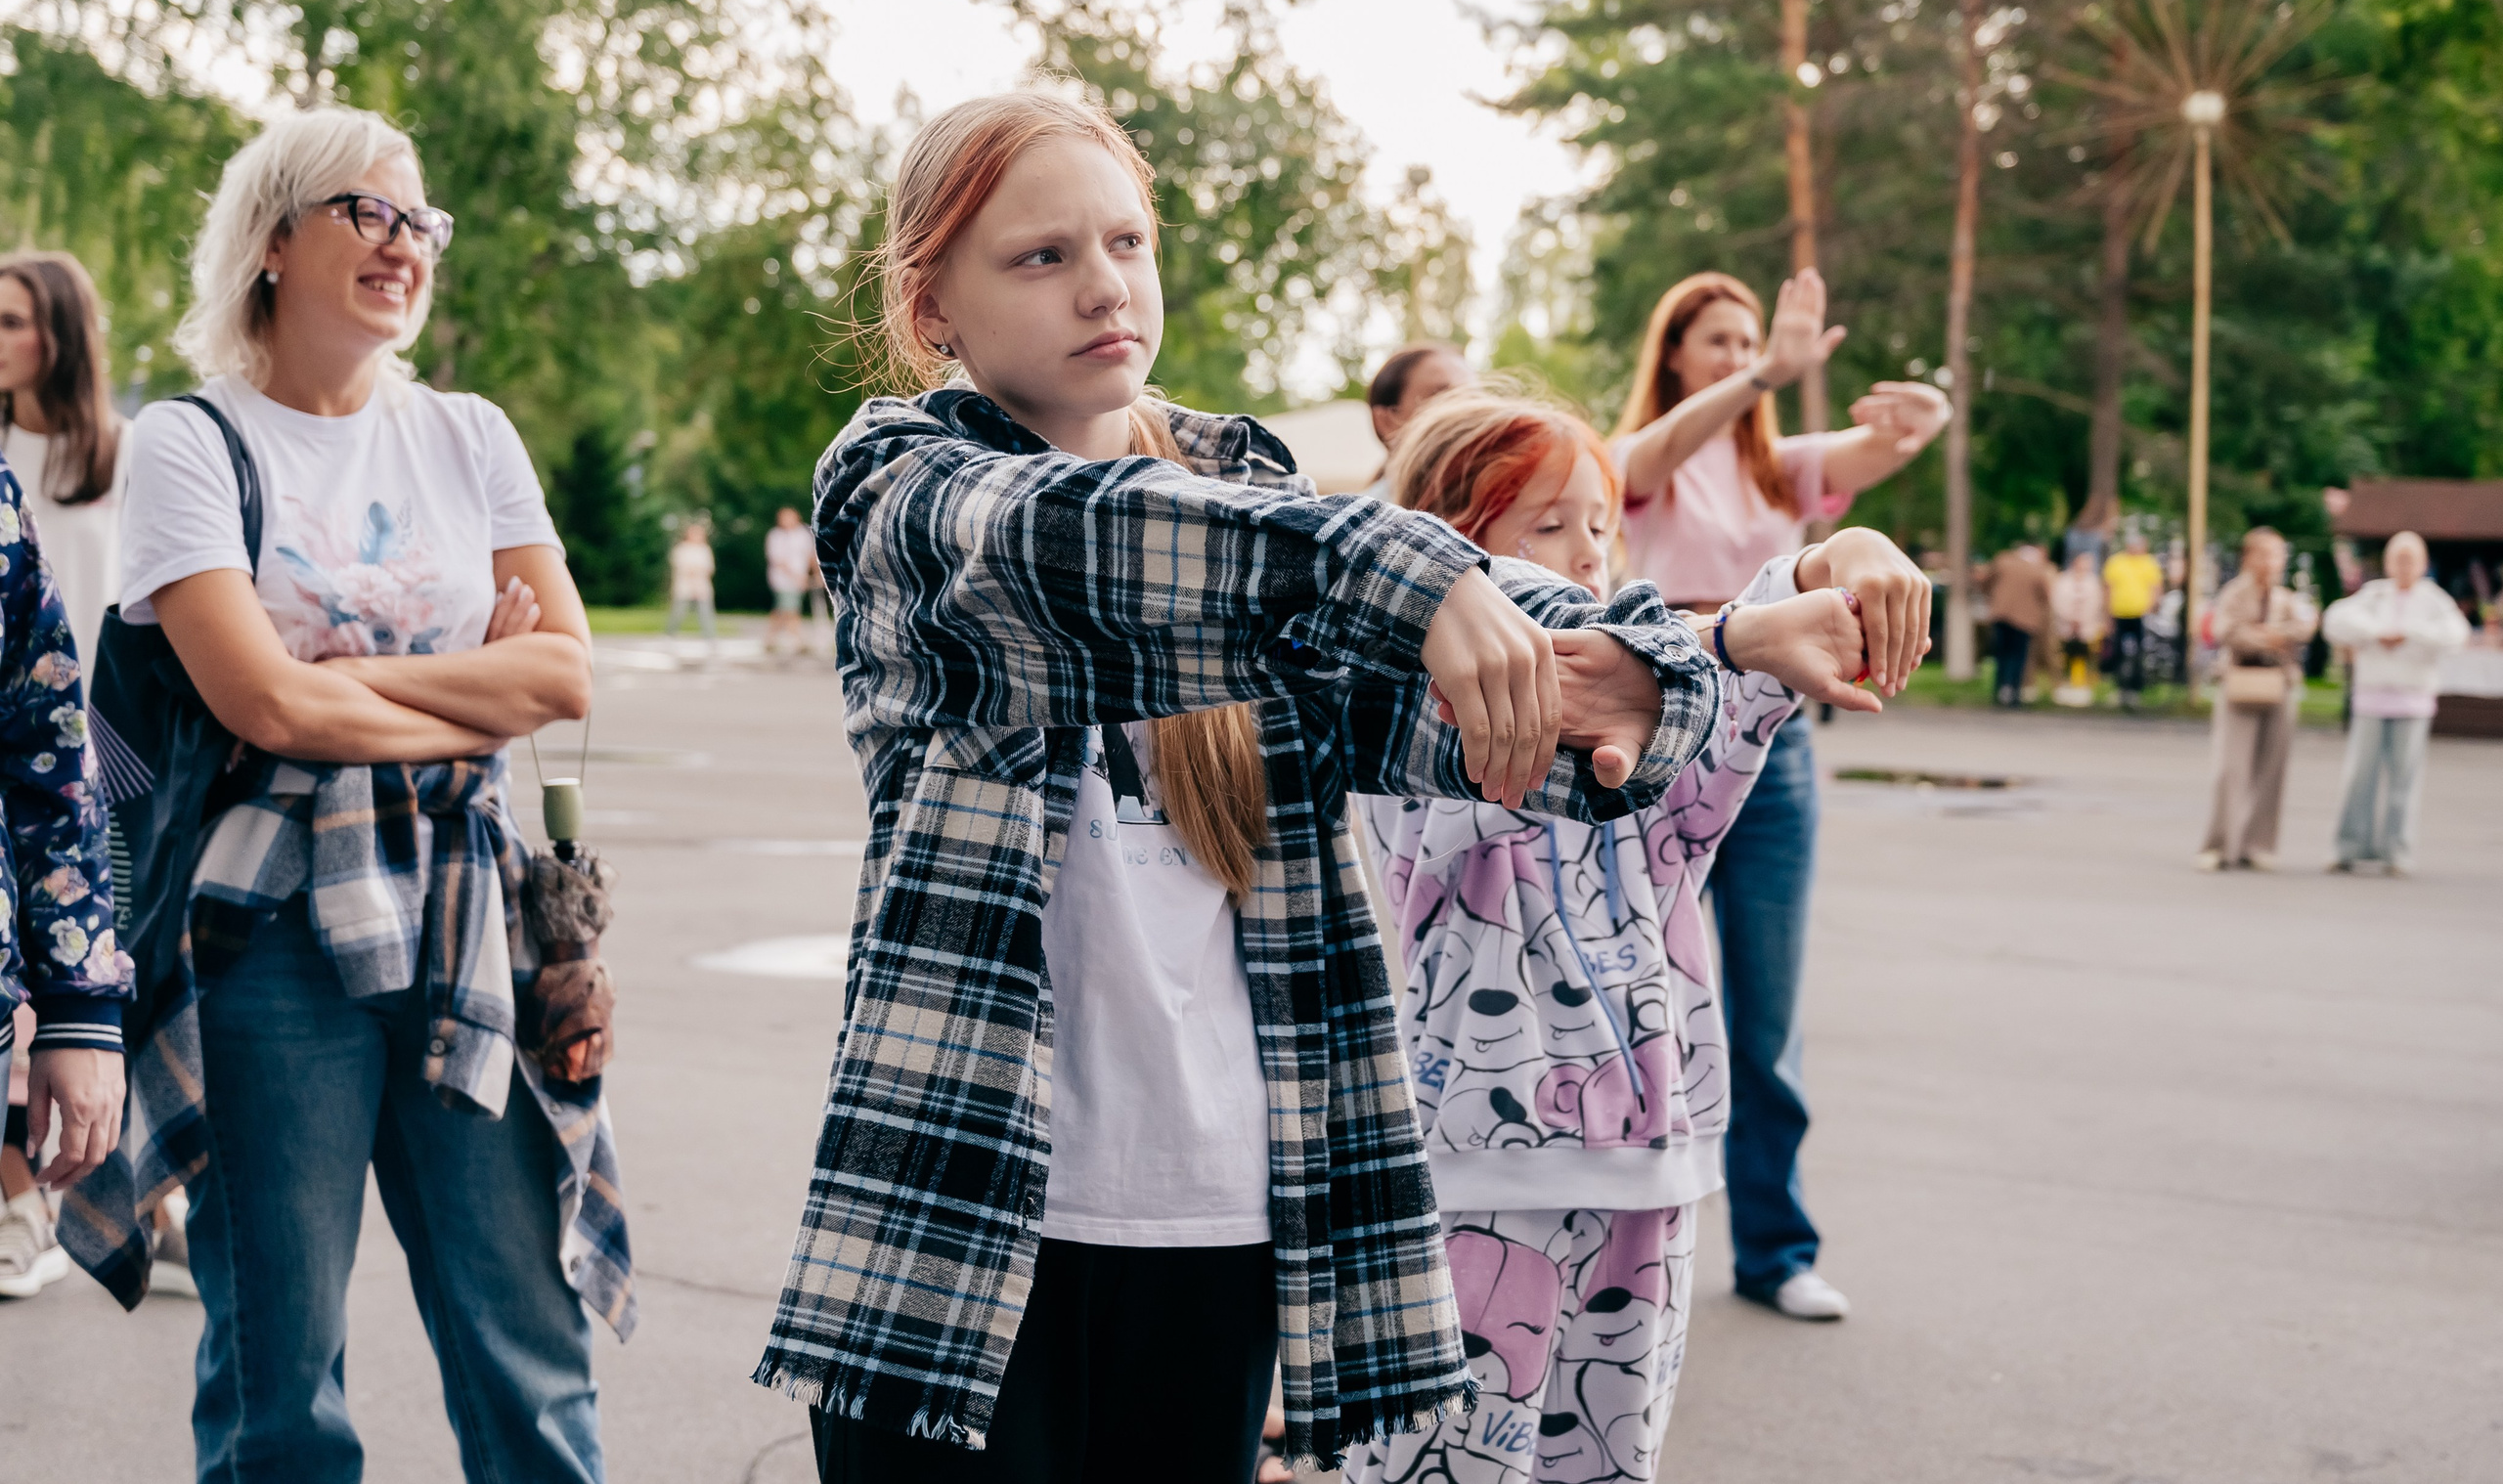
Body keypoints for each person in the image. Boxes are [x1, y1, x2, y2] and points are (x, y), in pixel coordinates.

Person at [750, 92, 1720, 1481]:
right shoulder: (900, 486)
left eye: (1128, 240)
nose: (1105, 284)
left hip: (1218, 1216)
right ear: (932, 305)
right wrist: (1419, 573)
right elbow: (1088, 542)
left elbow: (1427, 703)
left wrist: (1713, 643)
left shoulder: (1239, 482)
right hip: (962, 1221)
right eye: (1042, 256)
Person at [107, 106, 623, 1481]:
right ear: (273, 239)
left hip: (470, 902)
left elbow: (564, 674)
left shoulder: (468, 434)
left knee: (526, 1345)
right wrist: (466, 671)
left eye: (423, 222)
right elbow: (256, 703)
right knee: (282, 1375)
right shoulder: (189, 443)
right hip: (268, 924)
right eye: (368, 213)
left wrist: (345, 685)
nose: (406, 244)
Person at [1343, 387, 1929, 1484]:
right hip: (1472, 1174)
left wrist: (1831, 557)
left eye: (1600, 522)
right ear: (1449, 551)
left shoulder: (1658, 707)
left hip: (1652, 1171)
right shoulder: (1402, 703)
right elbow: (1610, 661)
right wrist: (1732, 630)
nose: (1585, 555)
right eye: (1544, 523)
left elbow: (1730, 690)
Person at [1608, 267, 1948, 1323]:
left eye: (1748, 339)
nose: (1739, 355)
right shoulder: (1635, 460)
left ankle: (1775, 1249)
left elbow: (1872, 454)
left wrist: (1923, 418)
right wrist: (1763, 372)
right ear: (1673, 354)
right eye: (1716, 340)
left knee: (1764, 1017)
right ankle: (1608, 1245)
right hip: (1652, 736)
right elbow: (1638, 461)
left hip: (1773, 746)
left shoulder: (1776, 466)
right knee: (1630, 1002)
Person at [0, 250, 135, 1300]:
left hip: (101, 744)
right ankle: (25, 1201)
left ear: (59, 335)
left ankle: (141, 1198)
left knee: (106, 978)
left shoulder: (118, 457)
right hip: (39, 732)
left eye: (12, 320)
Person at [2322, 531, 2468, 874]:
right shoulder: (2374, 596)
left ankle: (2397, 852)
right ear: (2388, 563)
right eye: (2398, 559)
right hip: (2372, 698)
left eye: (2411, 560)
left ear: (2422, 564)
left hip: (2413, 701)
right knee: (2360, 776)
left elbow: (2455, 634)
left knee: (2405, 779)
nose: (2404, 566)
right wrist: (2376, 633)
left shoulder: (2433, 600)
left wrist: (2410, 633)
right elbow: (2336, 621)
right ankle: (2349, 846)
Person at [2198, 527, 2318, 872]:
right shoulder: (2234, 594)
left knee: (2271, 767)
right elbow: (2224, 630)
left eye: (2278, 555)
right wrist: (2266, 638)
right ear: (2249, 557)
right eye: (2265, 554)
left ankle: (2258, 843)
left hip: (2278, 683)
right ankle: (2220, 844)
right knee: (2230, 768)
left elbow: (2304, 629)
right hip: (2240, 680)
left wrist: (2275, 634)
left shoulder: (2286, 597)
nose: (2272, 562)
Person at [1361, 340, 1473, 495]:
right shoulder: (1362, 516)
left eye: (1473, 397)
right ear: (1386, 421)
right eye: (1445, 396)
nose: (1470, 409)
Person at [1979, 542, 2054, 706]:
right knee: (2018, 657)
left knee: (2002, 654)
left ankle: (1999, 690)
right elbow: (2046, 595)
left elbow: (1986, 582)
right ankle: (2013, 693)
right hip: (2025, 620)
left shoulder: (2003, 562)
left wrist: (1991, 597)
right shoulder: (2036, 570)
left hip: (2001, 615)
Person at [2102, 531, 2164, 707]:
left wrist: (2152, 608)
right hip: (2119, 613)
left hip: (2140, 615)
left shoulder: (2149, 563)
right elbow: (2108, 588)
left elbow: (2155, 588)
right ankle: (2120, 688)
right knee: (2117, 653)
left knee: (2139, 654)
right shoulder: (2116, 562)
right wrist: (2107, 615)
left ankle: (2135, 689)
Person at [2050, 547, 2108, 702]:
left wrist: (2082, 619)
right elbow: (2058, 601)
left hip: (2086, 626)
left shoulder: (2093, 582)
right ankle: (2061, 686)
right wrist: (2070, 618)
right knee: (2063, 656)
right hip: (2065, 625)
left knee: (2084, 656)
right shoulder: (2063, 580)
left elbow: (2096, 603)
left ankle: (2082, 687)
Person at [764, 505, 813, 656]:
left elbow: (810, 554)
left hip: (800, 579)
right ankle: (799, 642)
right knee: (791, 610)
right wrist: (796, 576)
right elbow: (778, 560)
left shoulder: (802, 534)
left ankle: (769, 640)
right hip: (782, 580)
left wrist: (816, 574)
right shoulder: (775, 536)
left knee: (781, 610)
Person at [666, 517, 717, 646]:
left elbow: (709, 568)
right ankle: (670, 635)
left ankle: (709, 638)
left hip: (702, 587)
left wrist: (697, 575)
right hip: (685, 587)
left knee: (705, 614)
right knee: (678, 612)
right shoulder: (681, 549)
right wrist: (695, 573)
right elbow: (683, 568)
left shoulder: (705, 549)